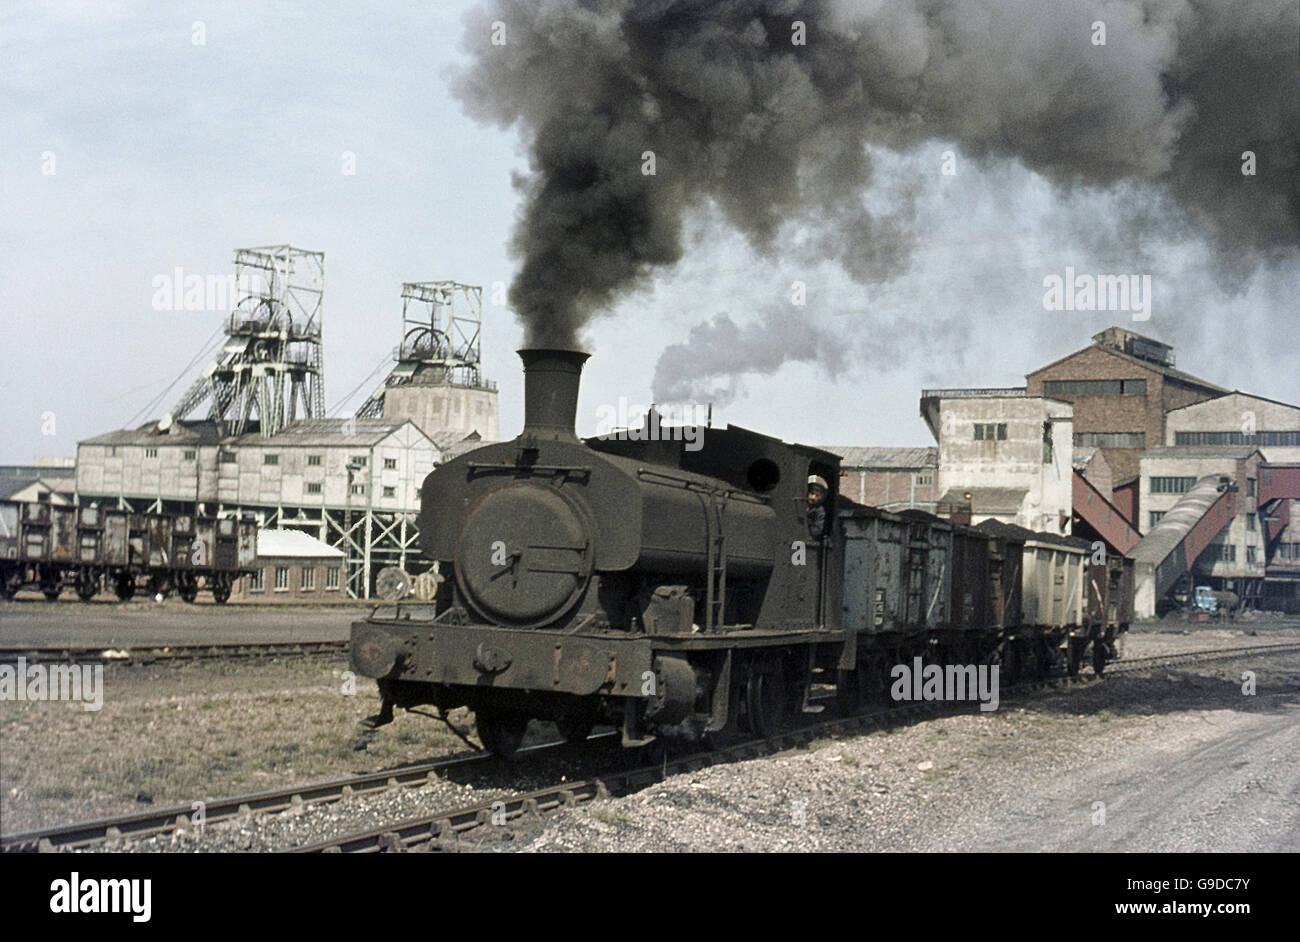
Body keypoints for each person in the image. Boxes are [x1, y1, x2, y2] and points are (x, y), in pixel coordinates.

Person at [807, 474, 830, 539]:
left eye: (817, 495)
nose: (813, 497)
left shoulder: (820, 511)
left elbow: (817, 531)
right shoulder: (802, 505)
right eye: (812, 493)